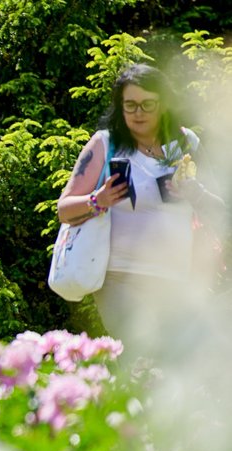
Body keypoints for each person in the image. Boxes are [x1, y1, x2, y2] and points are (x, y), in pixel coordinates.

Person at [57, 63, 225, 356]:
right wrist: (99, 200)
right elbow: (65, 209)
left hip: (177, 280)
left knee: (176, 365)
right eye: (130, 105)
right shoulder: (106, 144)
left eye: (148, 104)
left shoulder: (185, 144)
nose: (138, 113)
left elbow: (219, 209)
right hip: (121, 279)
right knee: (142, 356)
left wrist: (193, 191)